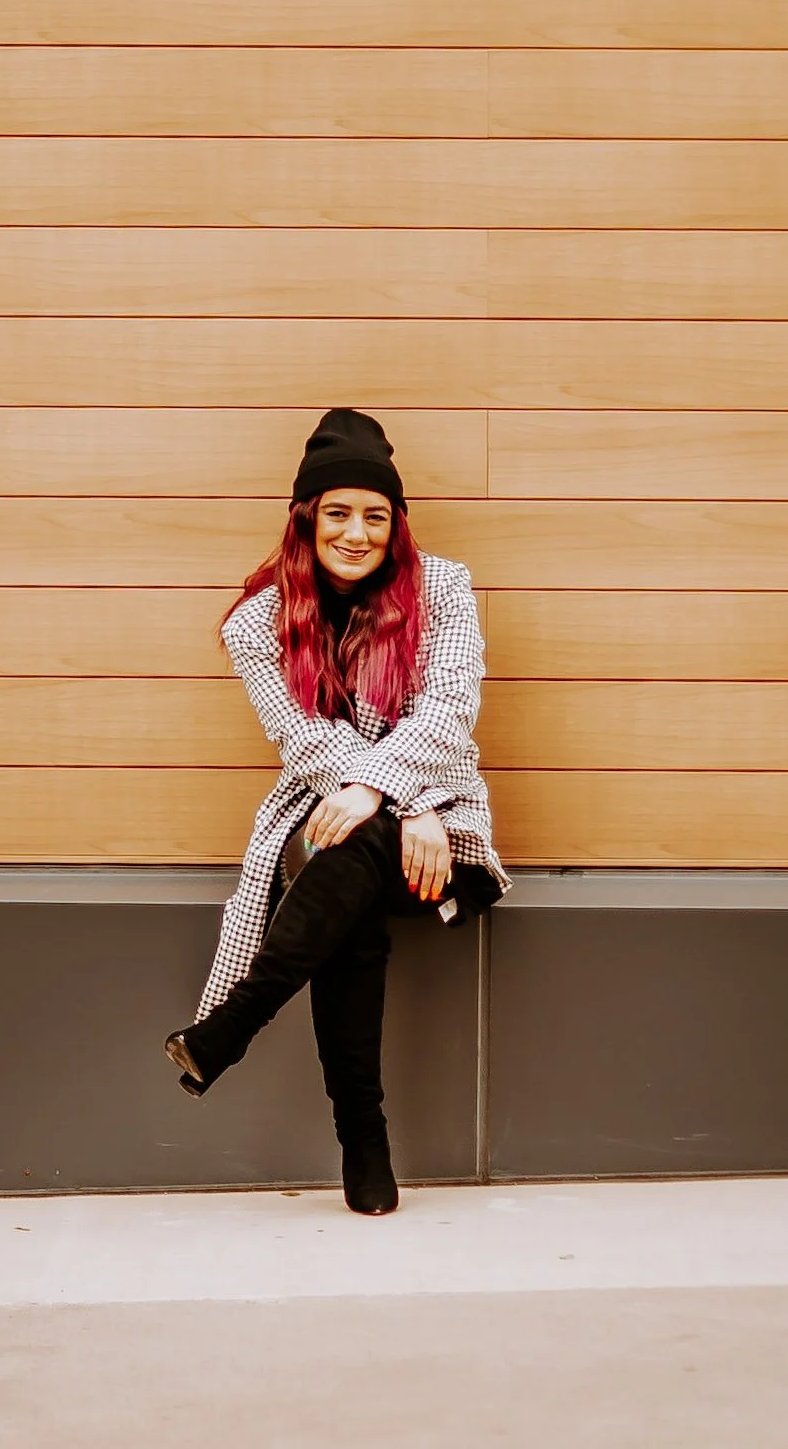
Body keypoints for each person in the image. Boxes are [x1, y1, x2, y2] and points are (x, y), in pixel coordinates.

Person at [164, 407, 509, 1216]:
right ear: (307, 519)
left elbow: (449, 709)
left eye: (375, 516)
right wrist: (394, 800)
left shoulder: (443, 589)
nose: (357, 533)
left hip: (445, 842)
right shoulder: (260, 622)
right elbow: (304, 740)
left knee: (346, 860)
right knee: (347, 875)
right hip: (341, 821)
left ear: (396, 524)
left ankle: (239, 1026)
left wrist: (396, 798)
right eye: (339, 513)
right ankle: (365, 1145)